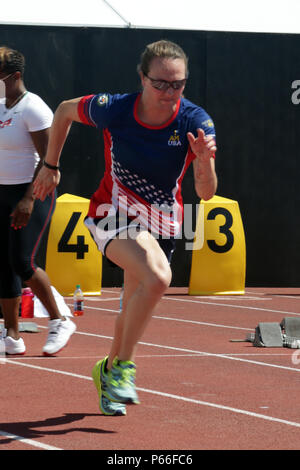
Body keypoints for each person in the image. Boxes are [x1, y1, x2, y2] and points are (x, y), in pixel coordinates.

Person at [33, 39, 217, 415]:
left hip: (162, 222)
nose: (169, 92)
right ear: (142, 78)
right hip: (111, 212)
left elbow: (207, 193)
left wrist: (204, 162)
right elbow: (65, 110)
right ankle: (123, 368)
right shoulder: (114, 109)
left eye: (178, 84)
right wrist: (50, 166)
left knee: (136, 299)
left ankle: (108, 370)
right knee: (159, 279)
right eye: (160, 83)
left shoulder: (195, 121)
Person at [0, 46, 76, 356]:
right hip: (2, 192)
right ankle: (12, 336)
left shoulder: (33, 108)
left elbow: (48, 159)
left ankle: (60, 321)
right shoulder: (1, 105)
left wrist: (28, 199)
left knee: (23, 262)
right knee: (2, 266)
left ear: (14, 76)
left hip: (31, 192)